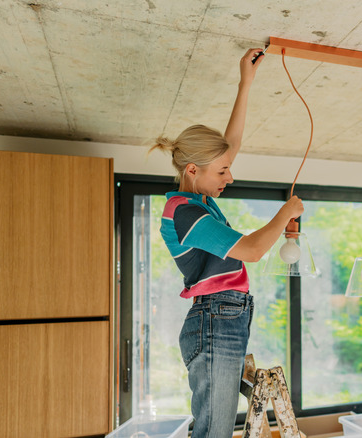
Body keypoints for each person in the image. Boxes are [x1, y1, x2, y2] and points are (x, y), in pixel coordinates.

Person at [149, 48, 304, 438]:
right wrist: (285, 214)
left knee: (215, 428)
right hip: (217, 318)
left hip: (224, 316)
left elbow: (228, 146)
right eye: (221, 170)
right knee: (214, 432)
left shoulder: (198, 200)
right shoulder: (185, 213)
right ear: (192, 169)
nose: (229, 176)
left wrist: (245, 82)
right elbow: (251, 250)